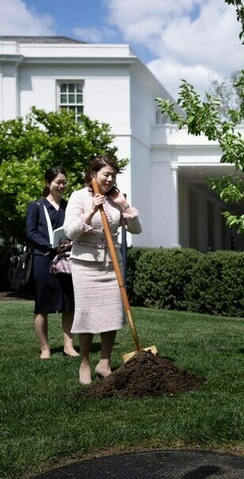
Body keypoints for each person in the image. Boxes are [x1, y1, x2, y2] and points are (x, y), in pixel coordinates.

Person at [64, 156, 142, 384]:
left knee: (112, 315)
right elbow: (70, 232)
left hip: (111, 266)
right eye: (105, 174)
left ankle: (104, 363)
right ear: (93, 175)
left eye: (113, 176)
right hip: (85, 266)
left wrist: (124, 205)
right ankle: (86, 361)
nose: (109, 179)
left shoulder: (116, 199)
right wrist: (90, 212)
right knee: (87, 316)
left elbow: (137, 229)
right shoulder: (79, 197)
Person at [26, 166, 78, 359]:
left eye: (64, 182)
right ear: (48, 183)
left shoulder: (68, 206)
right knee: (42, 304)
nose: (62, 185)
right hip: (43, 259)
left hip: (65, 259)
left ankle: (68, 345)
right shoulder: (36, 206)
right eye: (58, 182)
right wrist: (50, 245)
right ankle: (45, 348)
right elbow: (31, 232)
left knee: (68, 303)